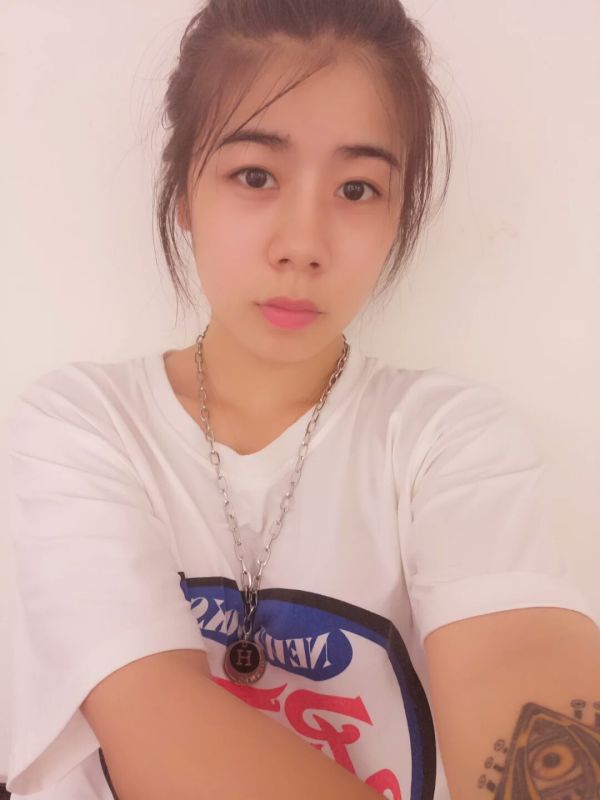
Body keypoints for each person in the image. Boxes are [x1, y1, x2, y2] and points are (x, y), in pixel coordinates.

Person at [5, 1, 598, 798]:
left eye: (357, 188)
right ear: (183, 192)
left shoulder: (450, 441)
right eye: (255, 176)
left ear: (399, 214)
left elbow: (522, 676)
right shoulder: (83, 426)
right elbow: (156, 730)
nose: (304, 245)